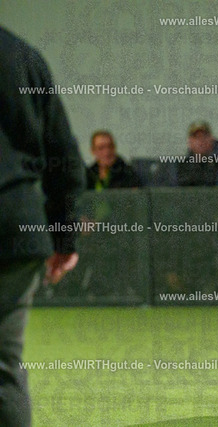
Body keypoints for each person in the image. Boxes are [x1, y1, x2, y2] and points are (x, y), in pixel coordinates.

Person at [0, 26, 85, 426]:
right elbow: (64, 157)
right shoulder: (23, 56)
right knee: (4, 368)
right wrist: (64, 238)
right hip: (16, 228)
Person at [176, 121, 218, 187]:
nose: (201, 141)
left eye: (204, 136)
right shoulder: (183, 166)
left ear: (211, 139)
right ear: (190, 142)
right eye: (196, 137)